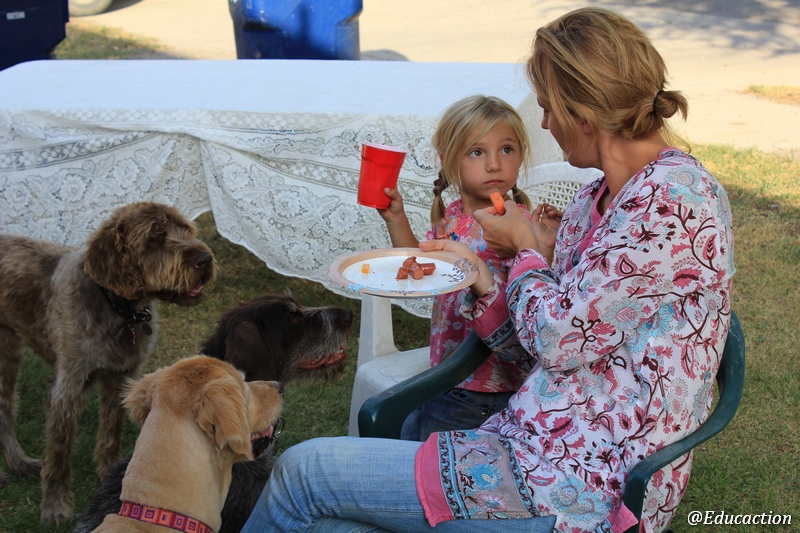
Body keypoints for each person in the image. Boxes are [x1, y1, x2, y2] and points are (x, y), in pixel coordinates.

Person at [241, 7, 734, 533]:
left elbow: (556, 338)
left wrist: (524, 249)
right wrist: (481, 276)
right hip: (529, 446)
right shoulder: (595, 200)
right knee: (328, 525)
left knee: (301, 473)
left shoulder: (674, 201)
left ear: (582, 113)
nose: (544, 124)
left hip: (587, 486)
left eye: (548, 109)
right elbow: (528, 346)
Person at [376, 94, 561, 441]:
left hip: (487, 389)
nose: (494, 164)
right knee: (413, 443)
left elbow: (536, 294)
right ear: (448, 161)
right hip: (448, 373)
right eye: (477, 152)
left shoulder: (516, 226)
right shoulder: (453, 215)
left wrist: (541, 247)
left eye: (506, 149)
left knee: (430, 458)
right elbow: (420, 262)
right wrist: (396, 218)